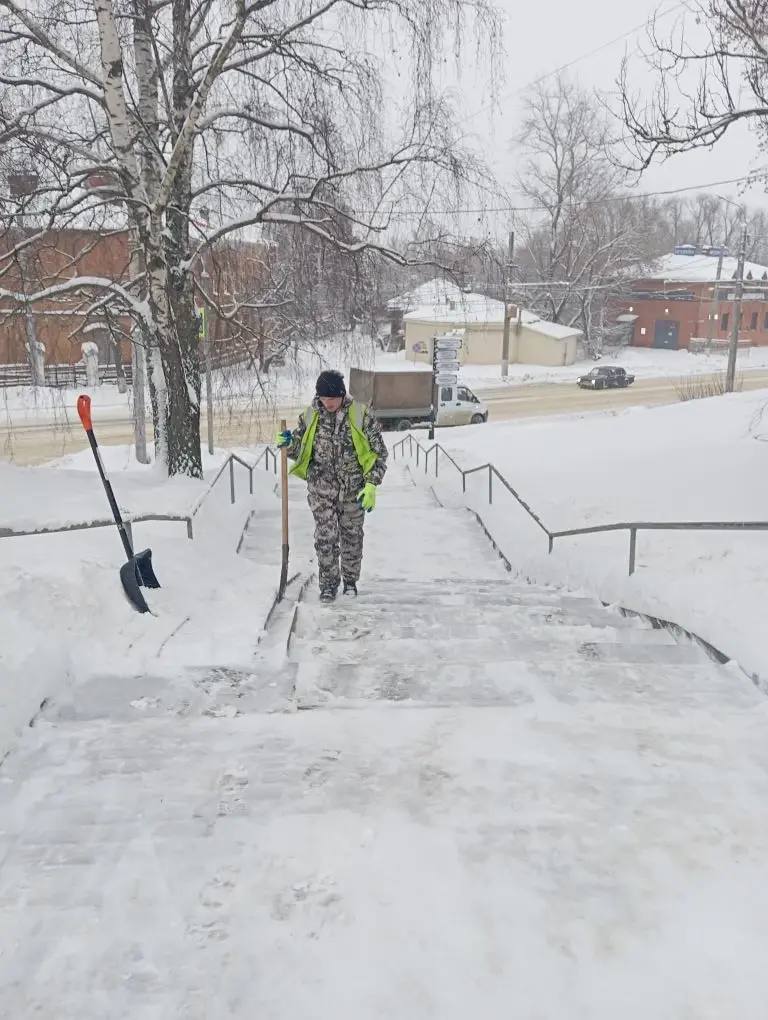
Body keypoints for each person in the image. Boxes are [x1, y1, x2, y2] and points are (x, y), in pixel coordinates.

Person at [276, 370, 388, 603]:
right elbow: (300, 449)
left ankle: (350, 581)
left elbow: (379, 454)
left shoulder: (360, 415)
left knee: (352, 537)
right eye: (324, 399)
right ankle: (328, 585)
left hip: (353, 490)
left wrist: (371, 485)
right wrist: (289, 444)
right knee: (325, 539)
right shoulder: (309, 417)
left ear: (342, 395)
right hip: (321, 490)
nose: (328, 403)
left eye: (333, 399)